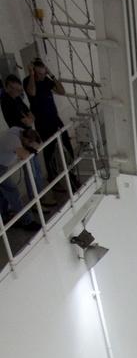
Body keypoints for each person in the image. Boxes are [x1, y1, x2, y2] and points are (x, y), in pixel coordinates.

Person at [24, 58, 77, 188]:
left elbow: (62, 91)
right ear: (34, 72)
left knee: (66, 142)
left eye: (44, 73)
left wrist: (51, 75)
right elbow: (32, 92)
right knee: (50, 150)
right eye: (39, 74)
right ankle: (53, 179)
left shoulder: (46, 80)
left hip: (54, 118)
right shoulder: (28, 81)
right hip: (42, 122)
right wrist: (32, 75)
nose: (42, 76)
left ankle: (72, 171)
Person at [0, 126, 42, 230]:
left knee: (3, 193)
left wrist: (29, 147)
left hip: (2, 166)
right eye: (29, 143)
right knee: (12, 191)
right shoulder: (14, 139)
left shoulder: (18, 131)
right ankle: (27, 221)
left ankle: (4, 216)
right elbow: (23, 156)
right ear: (26, 139)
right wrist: (30, 150)